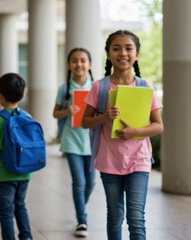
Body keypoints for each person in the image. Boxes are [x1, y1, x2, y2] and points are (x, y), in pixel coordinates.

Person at [82, 30, 164, 240]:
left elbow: (158, 126)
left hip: (139, 160)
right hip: (110, 161)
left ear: (137, 54)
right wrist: (104, 117)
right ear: (108, 54)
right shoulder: (99, 87)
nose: (123, 53)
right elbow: (85, 121)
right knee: (115, 216)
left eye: (129, 48)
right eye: (116, 48)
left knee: (136, 218)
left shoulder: (145, 87)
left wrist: (136, 132)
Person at [0, 72, 33, 240]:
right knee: (20, 206)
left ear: (0, 96)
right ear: (22, 95)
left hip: (4, 174)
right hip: (24, 172)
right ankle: (27, 237)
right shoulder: (27, 117)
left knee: (6, 212)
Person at [53, 47, 95, 237]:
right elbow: (55, 113)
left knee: (91, 183)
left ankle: (80, 208)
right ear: (69, 65)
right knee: (79, 182)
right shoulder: (65, 89)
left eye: (83, 60)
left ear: (89, 64)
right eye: (74, 60)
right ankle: (82, 220)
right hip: (72, 141)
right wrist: (67, 111)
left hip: (93, 142)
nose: (79, 64)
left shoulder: (97, 87)